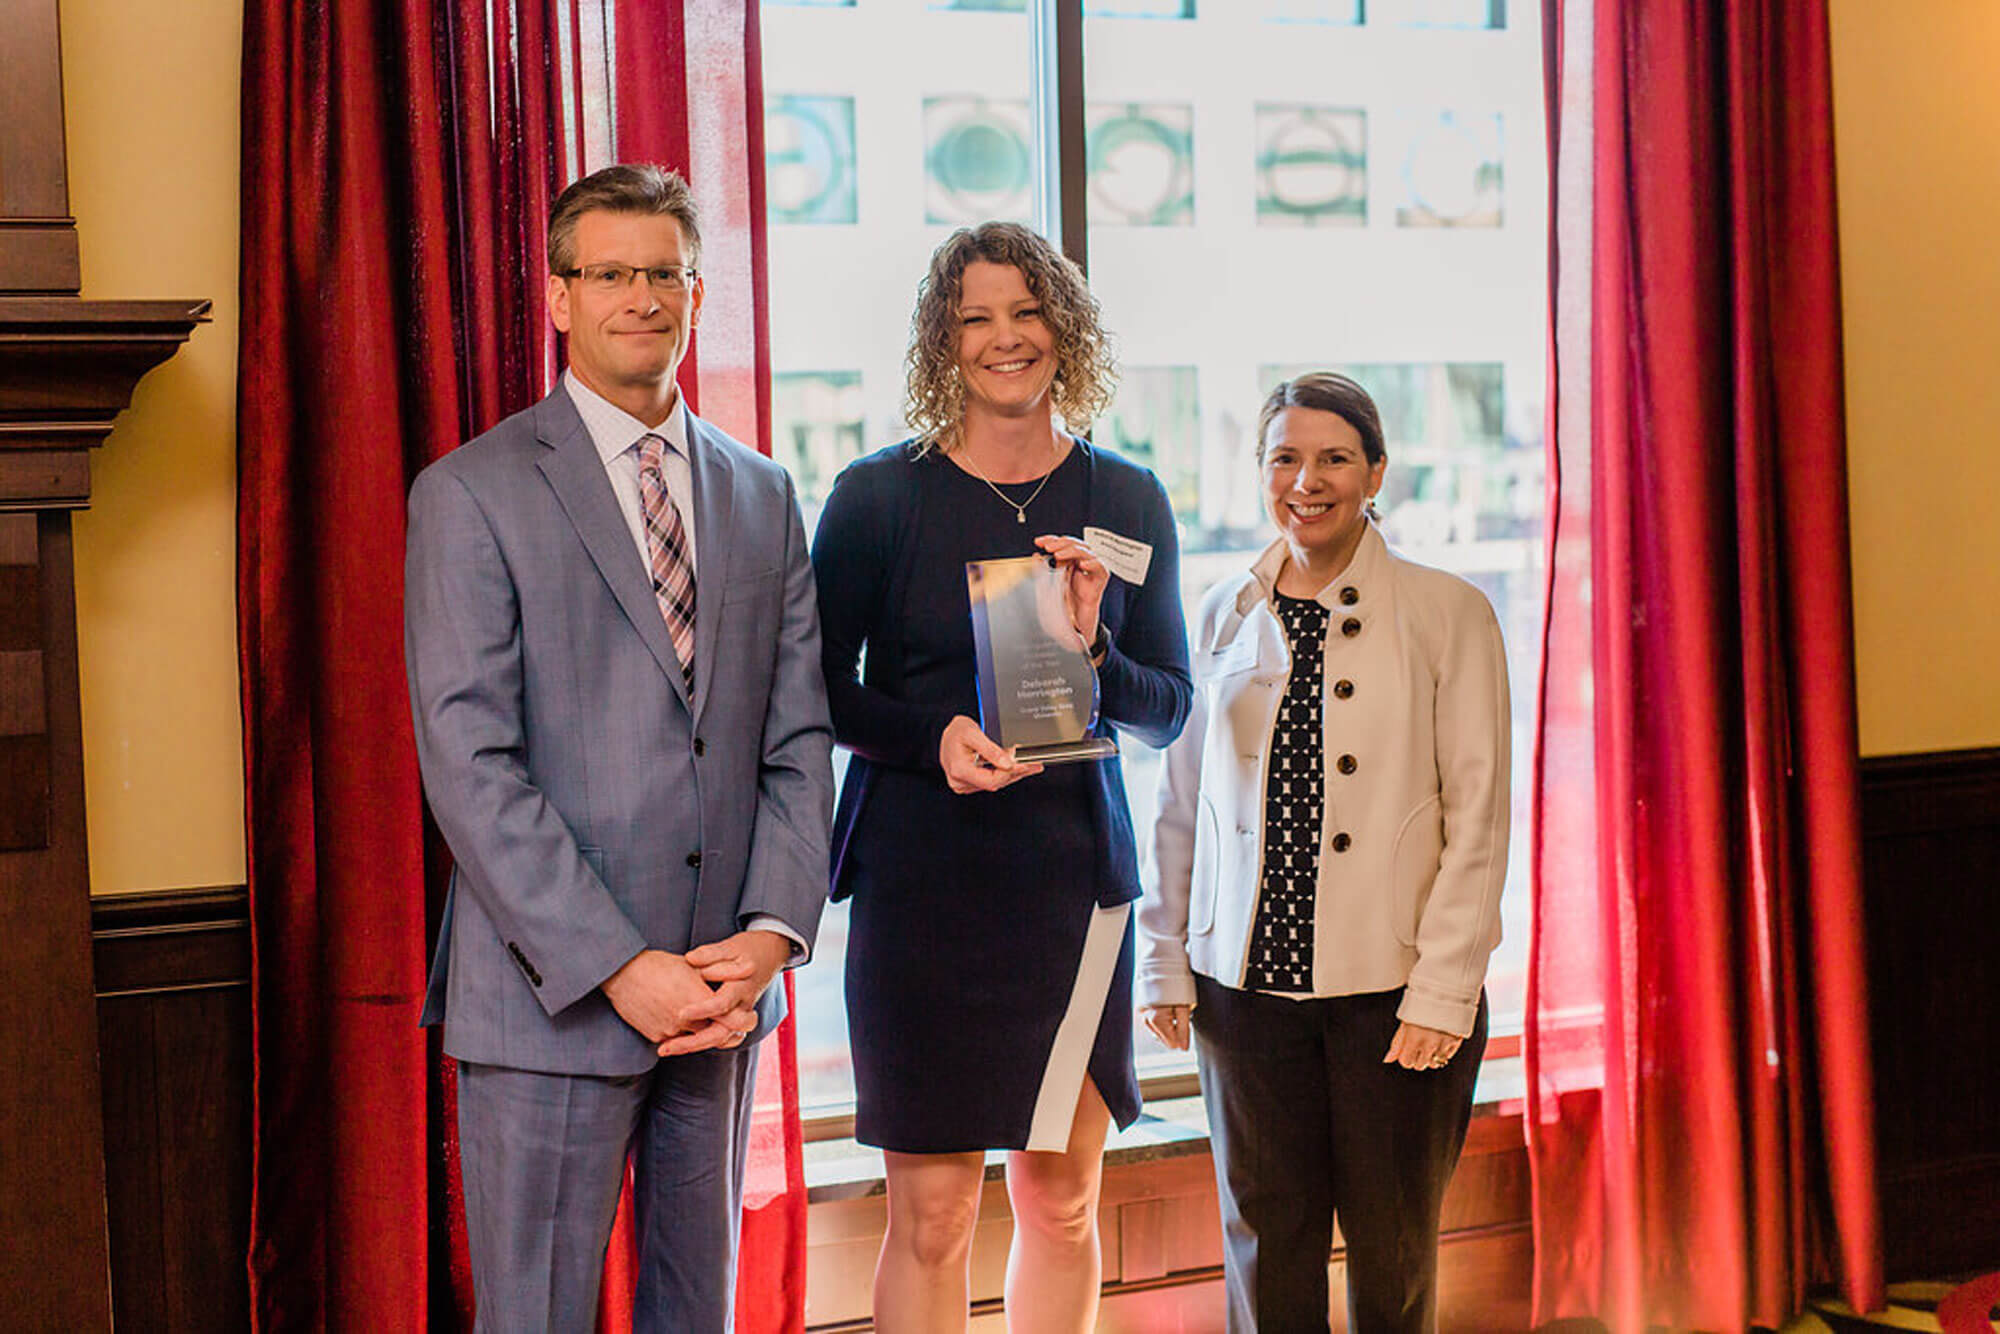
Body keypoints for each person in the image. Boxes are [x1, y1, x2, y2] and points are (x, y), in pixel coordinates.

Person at [404, 163, 833, 1330]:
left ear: (697, 292)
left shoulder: (761, 491)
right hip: (554, 999)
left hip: (722, 997)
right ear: (557, 297)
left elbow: (797, 734)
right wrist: (618, 964)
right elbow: (469, 764)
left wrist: (768, 931)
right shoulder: (470, 492)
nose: (640, 297)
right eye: (611, 274)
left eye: (665, 273)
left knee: (699, 1313)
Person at [811, 221, 1192, 1331]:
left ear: (1063, 329)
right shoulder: (879, 496)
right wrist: (926, 737)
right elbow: (817, 688)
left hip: (1069, 886)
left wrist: (1092, 652)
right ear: (943, 339)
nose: (1003, 337)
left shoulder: (1127, 498)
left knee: (1062, 1201)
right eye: (974, 316)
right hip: (921, 883)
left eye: (1025, 311)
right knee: (928, 1216)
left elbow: (1164, 706)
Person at [1138, 372, 1509, 1333]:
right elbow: (1181, 804)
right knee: (1265, 1248)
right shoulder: (1220, 609)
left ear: (1374, 470)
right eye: (1286, 458)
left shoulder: (1448, 612)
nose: (1309, 479)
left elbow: (1479, 818)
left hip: (1393, 999)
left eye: (1334, 457)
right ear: (1261, 473)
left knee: (1392, 1258)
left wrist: (1445, 991)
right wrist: (1163, 961)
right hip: (1242, 993)